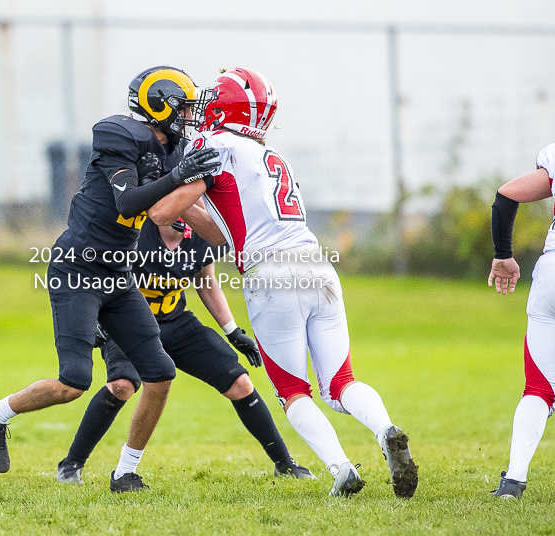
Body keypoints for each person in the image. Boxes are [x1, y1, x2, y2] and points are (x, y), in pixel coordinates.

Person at [146, 68, 418, 498]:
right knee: (341, 383)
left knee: (293, 391)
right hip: (317, 264)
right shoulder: (273, 157)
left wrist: (155, 188)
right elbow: (223, 233)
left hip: (270, 276)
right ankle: (386, 430)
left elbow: (163, 214)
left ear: (223, 106)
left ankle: (342, 468)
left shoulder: (212, 144)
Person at [0, 66, 220, 492]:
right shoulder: (119, 135)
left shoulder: (172, 150)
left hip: (118, 273)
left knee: (160, 373)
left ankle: (126, 471)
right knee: (74, 381)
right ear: (156, 103)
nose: (187, 116)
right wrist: (180, 178)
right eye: (182, 107)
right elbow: (128, 200)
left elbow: (181, 210)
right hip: (79, 267)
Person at [57, 217, 314, 484]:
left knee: (240, 383)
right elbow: (98, 272)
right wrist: (96, 318)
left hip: (176, 322)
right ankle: (72, 463)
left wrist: (233, 331)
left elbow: (206, 282)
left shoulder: (201, 233)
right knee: (122, 385)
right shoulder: (134, 231)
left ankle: (284, 463)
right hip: (128, 325)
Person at [487, 142, 555, 499]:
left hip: (553, 271)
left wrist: (503, 255)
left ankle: (513, 481)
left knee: (539, 389)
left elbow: (506, 195)